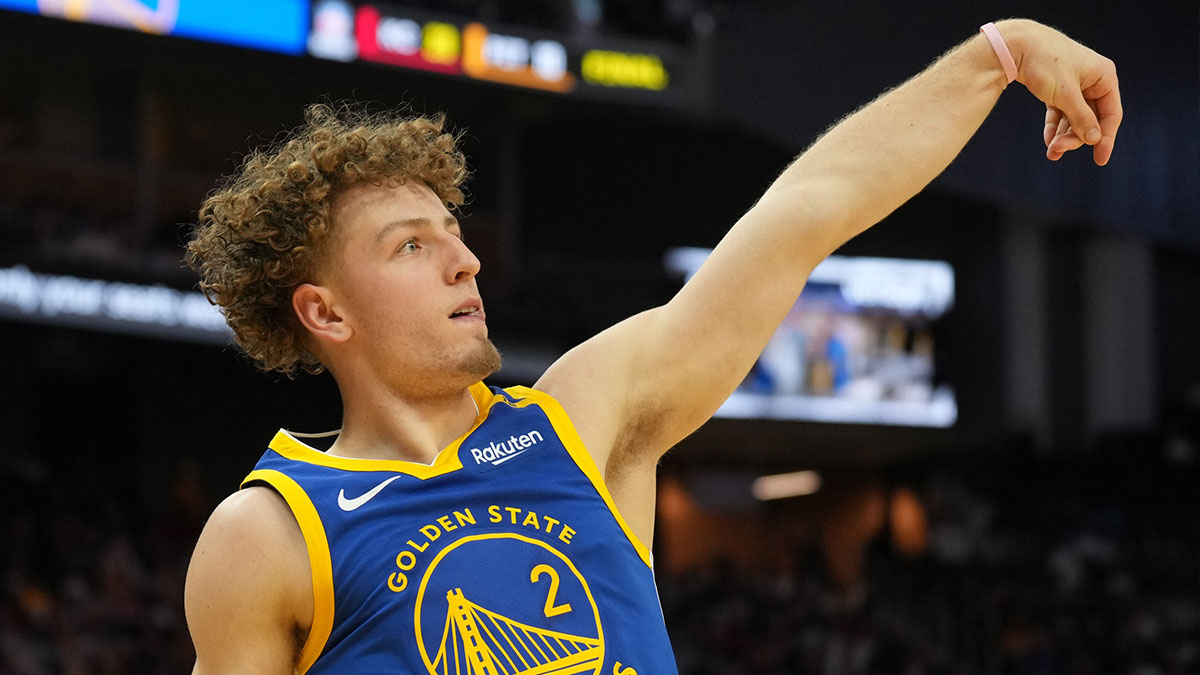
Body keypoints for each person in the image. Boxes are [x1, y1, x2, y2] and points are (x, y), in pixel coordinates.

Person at [183, 18, 1120, 674]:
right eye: (412, 245)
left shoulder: (585, 418)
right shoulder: (267, 536)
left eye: (454, 231)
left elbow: (800, 215)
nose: (465, 260)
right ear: (327, 312)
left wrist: (998, 55)